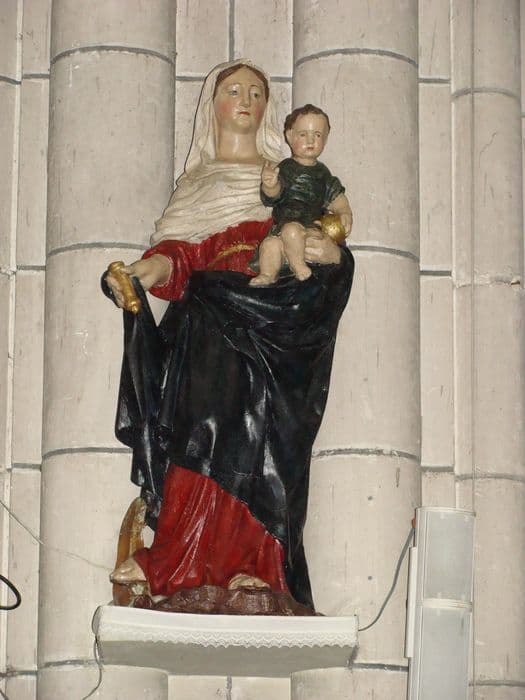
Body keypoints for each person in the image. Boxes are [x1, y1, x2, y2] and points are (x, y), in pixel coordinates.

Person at [104, 59, 354, 612]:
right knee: (199, 427)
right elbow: (179, 256)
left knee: (264, 438)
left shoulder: (282, 176)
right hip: (208, 319)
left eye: (257, 93)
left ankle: (257, 566)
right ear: (211, 105)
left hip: (271, 317)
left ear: (270, 110)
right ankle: (175, 559)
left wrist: (332, 253)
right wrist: (137, 275)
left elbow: (323, 235)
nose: (245, 100)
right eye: (234, 90)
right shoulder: (196, 184)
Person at [250, 104, 352, 286]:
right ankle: (268, 275)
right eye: (303, 134)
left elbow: (336, 198)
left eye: (317, 135)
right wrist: (270, 185)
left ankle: (298, 265)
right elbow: (273, 197)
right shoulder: (285, 168)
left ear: (326, 139)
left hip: (309, 229)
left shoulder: (323, 174)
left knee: (292, 231)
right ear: (290, 136)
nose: (310, 140)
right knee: (270, 246)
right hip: (282, 228)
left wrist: (345, 212)